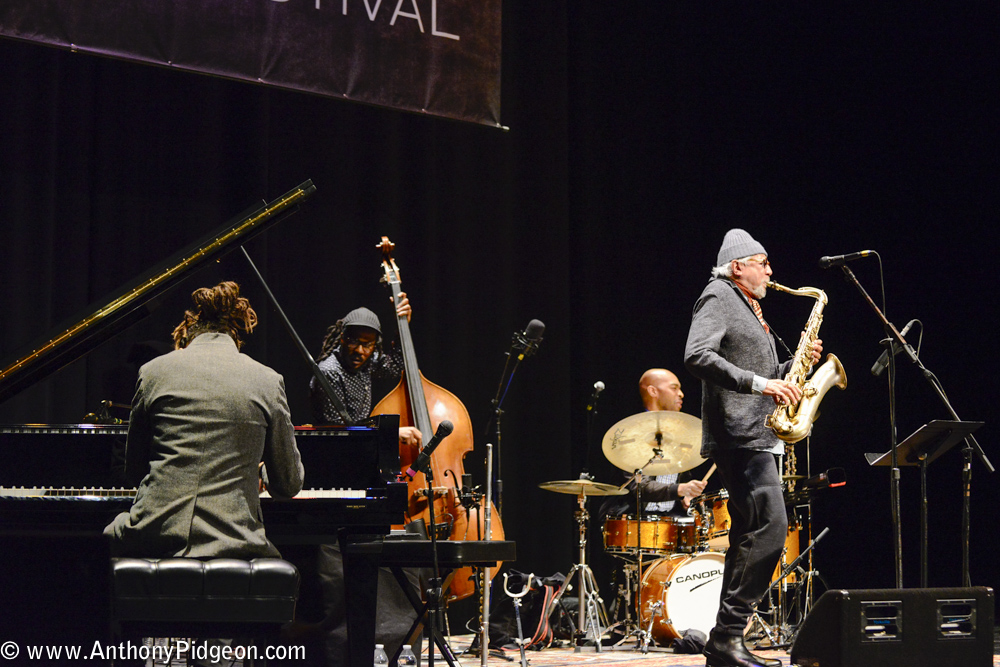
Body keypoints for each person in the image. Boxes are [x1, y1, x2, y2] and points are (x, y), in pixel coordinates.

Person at [684, 229, 821, 667]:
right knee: (771, 528)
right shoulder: (718, 295)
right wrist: (763, 383)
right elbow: (697, 355)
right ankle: (726, 635)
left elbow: (756, 371)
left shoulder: (748, 306)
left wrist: (793, 366)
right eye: (763, 262)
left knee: (748, 536)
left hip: (757, 433)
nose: (770, 270)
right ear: (737, 264)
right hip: (739, 435)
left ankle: (723, 646)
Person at [105, 281, 304, 559]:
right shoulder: (268, 380)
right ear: (237, 336)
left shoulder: (152, 372)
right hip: (235, 540)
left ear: (185, 333)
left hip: (153, 534)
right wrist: (258, 471)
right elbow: (288, 485)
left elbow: (134, 472)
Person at [309, 294, 421, 448]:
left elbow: (394, 367)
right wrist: (391, 433)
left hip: (357, 450)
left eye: (368, 344)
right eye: (354, 341)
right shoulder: (329, 372)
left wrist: (402, 325)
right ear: (342, 338)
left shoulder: (366, 362)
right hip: (332, 454)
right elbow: (340, 431)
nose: (360, 351)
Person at [602, 369, 706, 519]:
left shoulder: (679, 434)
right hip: (631, 521)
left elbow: (680, 481)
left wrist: (686, 497)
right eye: (674, 388)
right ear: (653, 391)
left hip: (669, 521)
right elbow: (639, 486)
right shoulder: (630, 435)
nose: (681, 394)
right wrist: (680, 489)